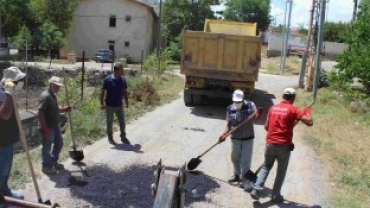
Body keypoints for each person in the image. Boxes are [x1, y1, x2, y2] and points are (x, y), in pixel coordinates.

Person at [250, 87, 313, 203]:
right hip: (284, 146)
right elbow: (309, 122)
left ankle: (256, 189)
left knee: (266, 166)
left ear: (283, 96)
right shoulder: (294, 109)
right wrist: (307, 112)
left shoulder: (273, 108)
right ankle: (275, 195)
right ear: (293, 98)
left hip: (270, 143)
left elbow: (266, 127)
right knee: (281, 171)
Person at [219, 89, 262, 186]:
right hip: (235, 137)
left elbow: (255, 117)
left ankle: (245, 178)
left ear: (243, 99)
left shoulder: (251, 105)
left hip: (248, 137)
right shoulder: (230, 108)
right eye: (235, 101)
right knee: (235, 157)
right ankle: (237, 175)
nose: (237, 103)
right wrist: (224, 134)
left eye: (239, 101)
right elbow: (229, 124)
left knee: (245, 159)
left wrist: (258, 114)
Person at [0, 67, 26, 199]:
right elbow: (5, 114)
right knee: (2, 170)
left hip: (8, 139)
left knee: (6, 170)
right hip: (2, 140)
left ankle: (5, 191)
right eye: (18, 81)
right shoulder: (2, 93)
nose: (21, 83)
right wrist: (9, 93)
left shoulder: (8, 92)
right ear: (10, 81)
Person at [38, 76, 71, 175]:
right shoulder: (46, 96)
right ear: (51, 84)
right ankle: (46, 166)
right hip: (47, 127)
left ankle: (53, 161)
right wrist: (45, 129)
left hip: (55, 126)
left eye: (59, 86)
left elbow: (55, 109)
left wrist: (64, 109)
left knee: (59, 143)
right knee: (47, 148)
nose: (58, 88)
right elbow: (40, 113)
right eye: (56, 85)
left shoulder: (53, 95)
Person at [100, 63, 130, 145]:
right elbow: (102, 92)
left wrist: (127, 102)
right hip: (110, 105)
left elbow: (124, 92)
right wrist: (101, 103)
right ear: (116, 71)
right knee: (109, 122)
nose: (123, 72)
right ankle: (110, 137)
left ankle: (123, 137)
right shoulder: (108, 79)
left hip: (119, 105)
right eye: (121, 70)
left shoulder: (123, 80)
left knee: (122, 122)